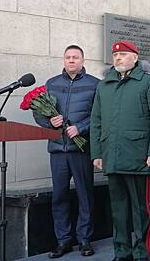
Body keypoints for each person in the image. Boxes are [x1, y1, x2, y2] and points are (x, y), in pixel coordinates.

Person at [90, 41, 150, 261]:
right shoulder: (104, 85)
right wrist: (97, 154)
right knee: (118, 209)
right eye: (115, 55)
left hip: (139, 155)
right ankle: (122, 251)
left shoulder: (148, 82)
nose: (118, 59)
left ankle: (141, 251)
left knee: (140, 209)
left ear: (135, 57)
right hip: (112, 155)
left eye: (123, 54)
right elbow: (96, 121)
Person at [33, 45, 99, 258]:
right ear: (64, 60)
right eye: (68, 57)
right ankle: (63, 241)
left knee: (85, 195)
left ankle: (85, 239)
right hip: (58, 150)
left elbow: (100, 115)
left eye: (75, 57)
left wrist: (81, 128)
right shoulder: (52, 84)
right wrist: (50, 122)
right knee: (59, 196)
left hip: (81, 149)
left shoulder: (95, 84)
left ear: (82, 60)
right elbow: (38, 112)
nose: (71, 60)